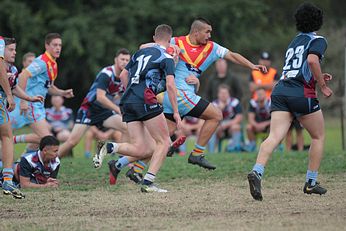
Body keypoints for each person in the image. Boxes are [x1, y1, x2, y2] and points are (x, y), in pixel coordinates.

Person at [247, 3, 332, 201]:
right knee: (318, 136)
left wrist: (318, 75)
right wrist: (322, 84)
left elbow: (301, 65)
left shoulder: (295, 41)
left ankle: (257, 171)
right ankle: (311, 183)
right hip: (301, 92)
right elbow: (312, 61)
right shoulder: (318, 40)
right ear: (318, 21)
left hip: (280, 90)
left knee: (274, 136)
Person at [160, 17, 267, 170]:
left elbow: (233, 55)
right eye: (207, 32)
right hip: (179, 95)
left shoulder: (212, 48)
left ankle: (128, 163)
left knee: (162, 139)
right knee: (216, 115)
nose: (209, 35)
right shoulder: (176, 42)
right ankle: (197, 154)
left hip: (174, 99)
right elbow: (150, 47)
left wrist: (252, 66)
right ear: (196, 32)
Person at [94, 24, 181, 193]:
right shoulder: (167, 57)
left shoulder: (140, 53)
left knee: (142, 148)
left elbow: (123, 75)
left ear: (154, 38)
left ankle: (110, 147)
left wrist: (132, 93)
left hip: (128, 100)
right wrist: (176, 112)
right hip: (146, 100)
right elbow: (170, 85)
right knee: (164, 142)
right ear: (169, 40)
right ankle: (148, 183)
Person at [58, 48, 131, 158]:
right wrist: (117, 109)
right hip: (89, 109)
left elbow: (122, 95)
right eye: (122, 59)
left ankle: (121, 161)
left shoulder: (124, 77)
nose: (124, 62)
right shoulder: (106, 74)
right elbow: (100, 97)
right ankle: (49, 160)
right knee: (73, 142)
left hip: (104, 111)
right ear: (116, 60)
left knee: (126, 127)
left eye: (127, 60)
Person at [12, 33, 74, 148]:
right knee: (48, 140)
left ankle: (23, 160)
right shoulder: (42, 62)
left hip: (38, 105)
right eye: (55, 45)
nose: (58, 48)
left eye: (60, 45)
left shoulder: (53, 64)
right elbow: (23, 76)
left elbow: (49, 87)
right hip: (31, 104)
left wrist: (62, 93)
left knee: (45, 138)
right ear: (47, 45)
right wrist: (24, 101)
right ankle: (12, 141)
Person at [0, 37, 43, 199]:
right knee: (6, 137)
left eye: (15, 49)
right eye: (11, 49)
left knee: (6, 137)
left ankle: (7, 178)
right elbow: (7, 84)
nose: (14, 52)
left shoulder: (13, 69)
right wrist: (9, 97)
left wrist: (29, 98)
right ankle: (7, 179)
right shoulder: (1, 65)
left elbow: (14, 86)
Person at [208, 84, 243, 153]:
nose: (223, 95)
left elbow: (239, 118)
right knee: (211, 129)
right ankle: (211, 152)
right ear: (218, 94)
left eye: (225, 93)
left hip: (230, 127)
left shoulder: (235, 102)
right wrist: (220, 109)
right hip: (219, 128)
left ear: (229, 94)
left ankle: (235, 149)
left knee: (236, 127)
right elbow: (211, 120)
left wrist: (227, 125)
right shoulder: (214, 104)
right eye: (221, 93)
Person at [244, 88, 271, 152]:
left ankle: (270, 146)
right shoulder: (253, 103)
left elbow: (275, 119)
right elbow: (250, 119)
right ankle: (252, 146)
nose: (260, 95)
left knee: (274, 126)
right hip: (256, 125)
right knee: (248, 127)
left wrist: (264, 124)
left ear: (265, 94)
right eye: (258, 94)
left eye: (261, 94)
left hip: (268, 125)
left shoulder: (270, 103)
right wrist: (257, 125)